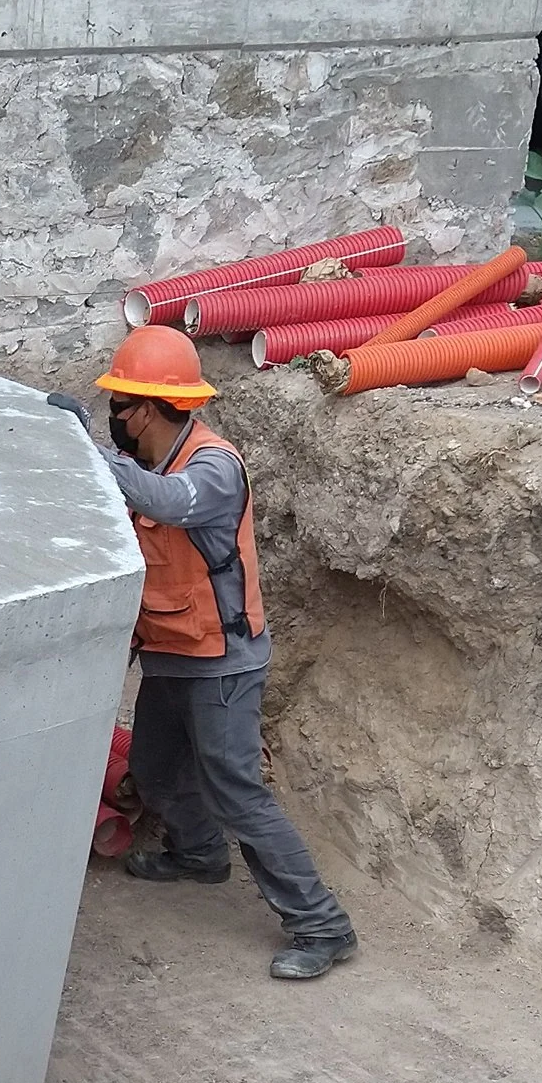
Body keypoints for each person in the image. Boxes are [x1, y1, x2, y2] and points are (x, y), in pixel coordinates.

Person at [53, 325, 358, 984]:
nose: (116, 415)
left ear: (156, 406)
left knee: (238, 792)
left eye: (121, 403)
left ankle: (322, 923)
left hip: (224, 660)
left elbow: (168, 503)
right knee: (158, 769)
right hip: (170, 648)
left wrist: (93, 451)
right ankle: (197, 854)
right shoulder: (151, 462)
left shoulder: (212, 467)